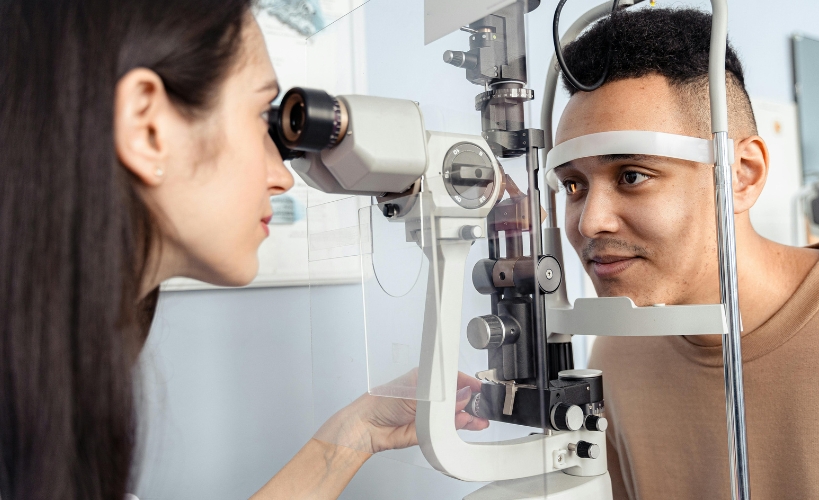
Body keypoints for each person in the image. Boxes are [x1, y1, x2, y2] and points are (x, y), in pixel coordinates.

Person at [0, 1, 487, 499]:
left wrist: (358, 431)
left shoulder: (52, 384)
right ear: (147, 128)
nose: (280, 178)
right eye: (260, 118)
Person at [552, 7, 819, 500]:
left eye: (632, 175)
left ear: (741, 174)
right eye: (573, 184)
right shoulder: (619, 352)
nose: (589, 220)